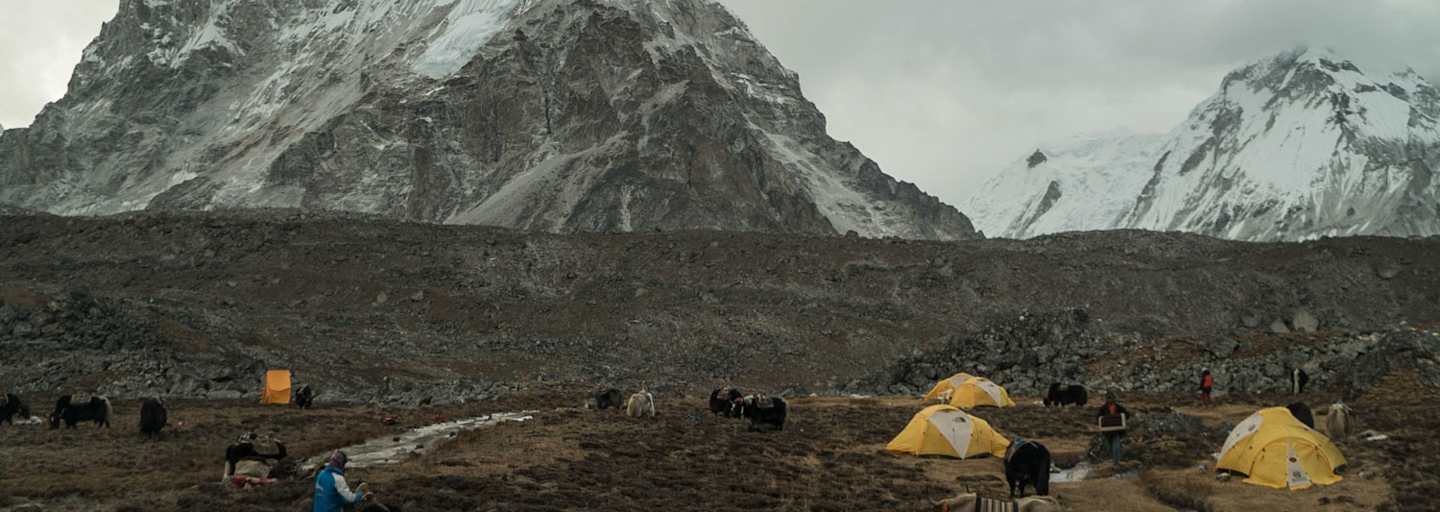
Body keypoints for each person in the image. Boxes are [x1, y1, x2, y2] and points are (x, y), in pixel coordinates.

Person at [1095, 391, 1129, 463]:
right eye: (1108, 398)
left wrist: (1119, 418)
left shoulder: (1119, 407)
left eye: (1111, 398)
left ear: (1114, 399)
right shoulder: (1103, 408)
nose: (1110, 400)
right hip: (1107, 432)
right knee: (1109, 447)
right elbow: (1098, 418)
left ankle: (1116, 462)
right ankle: (1112, 460)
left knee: (1116, 447)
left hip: (1117, 431)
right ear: (1106, 399)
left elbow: (1127, 415)